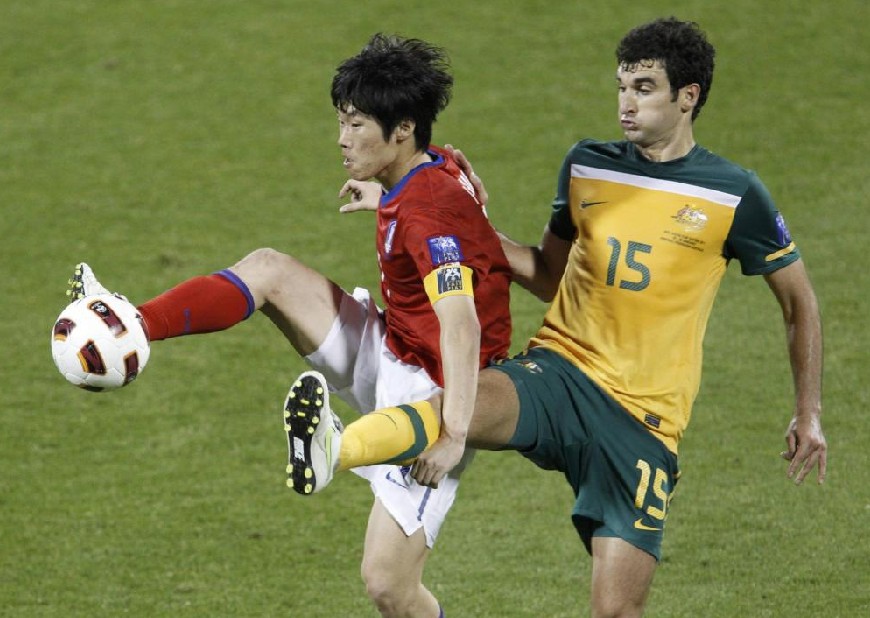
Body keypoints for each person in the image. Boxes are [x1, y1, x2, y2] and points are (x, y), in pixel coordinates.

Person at [284, 17, 827, 617]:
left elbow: (798, 301)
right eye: (622, 86)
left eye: (644, 88)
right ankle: (334, 447)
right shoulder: (587, 164)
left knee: (615, 611)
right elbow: (546, 275)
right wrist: (428, 212)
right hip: (559, 374)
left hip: (643, 421)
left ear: (688, 97)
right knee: (448, 410)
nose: (625, 103)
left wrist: (809, 412)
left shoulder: (734, 193)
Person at [67, 33, 512, 618]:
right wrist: (387, 200)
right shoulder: (431, 170)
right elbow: (448, 231)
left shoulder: (428, 212)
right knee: (270, 270)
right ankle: (135, 321)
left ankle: (338, 445)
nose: (342, 139)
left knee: (388, 585)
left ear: (402, 128)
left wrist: (454, 433)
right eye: (341, 121)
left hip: (436, 390)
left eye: (356, 125)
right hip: (392, 344)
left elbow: (461, 325)